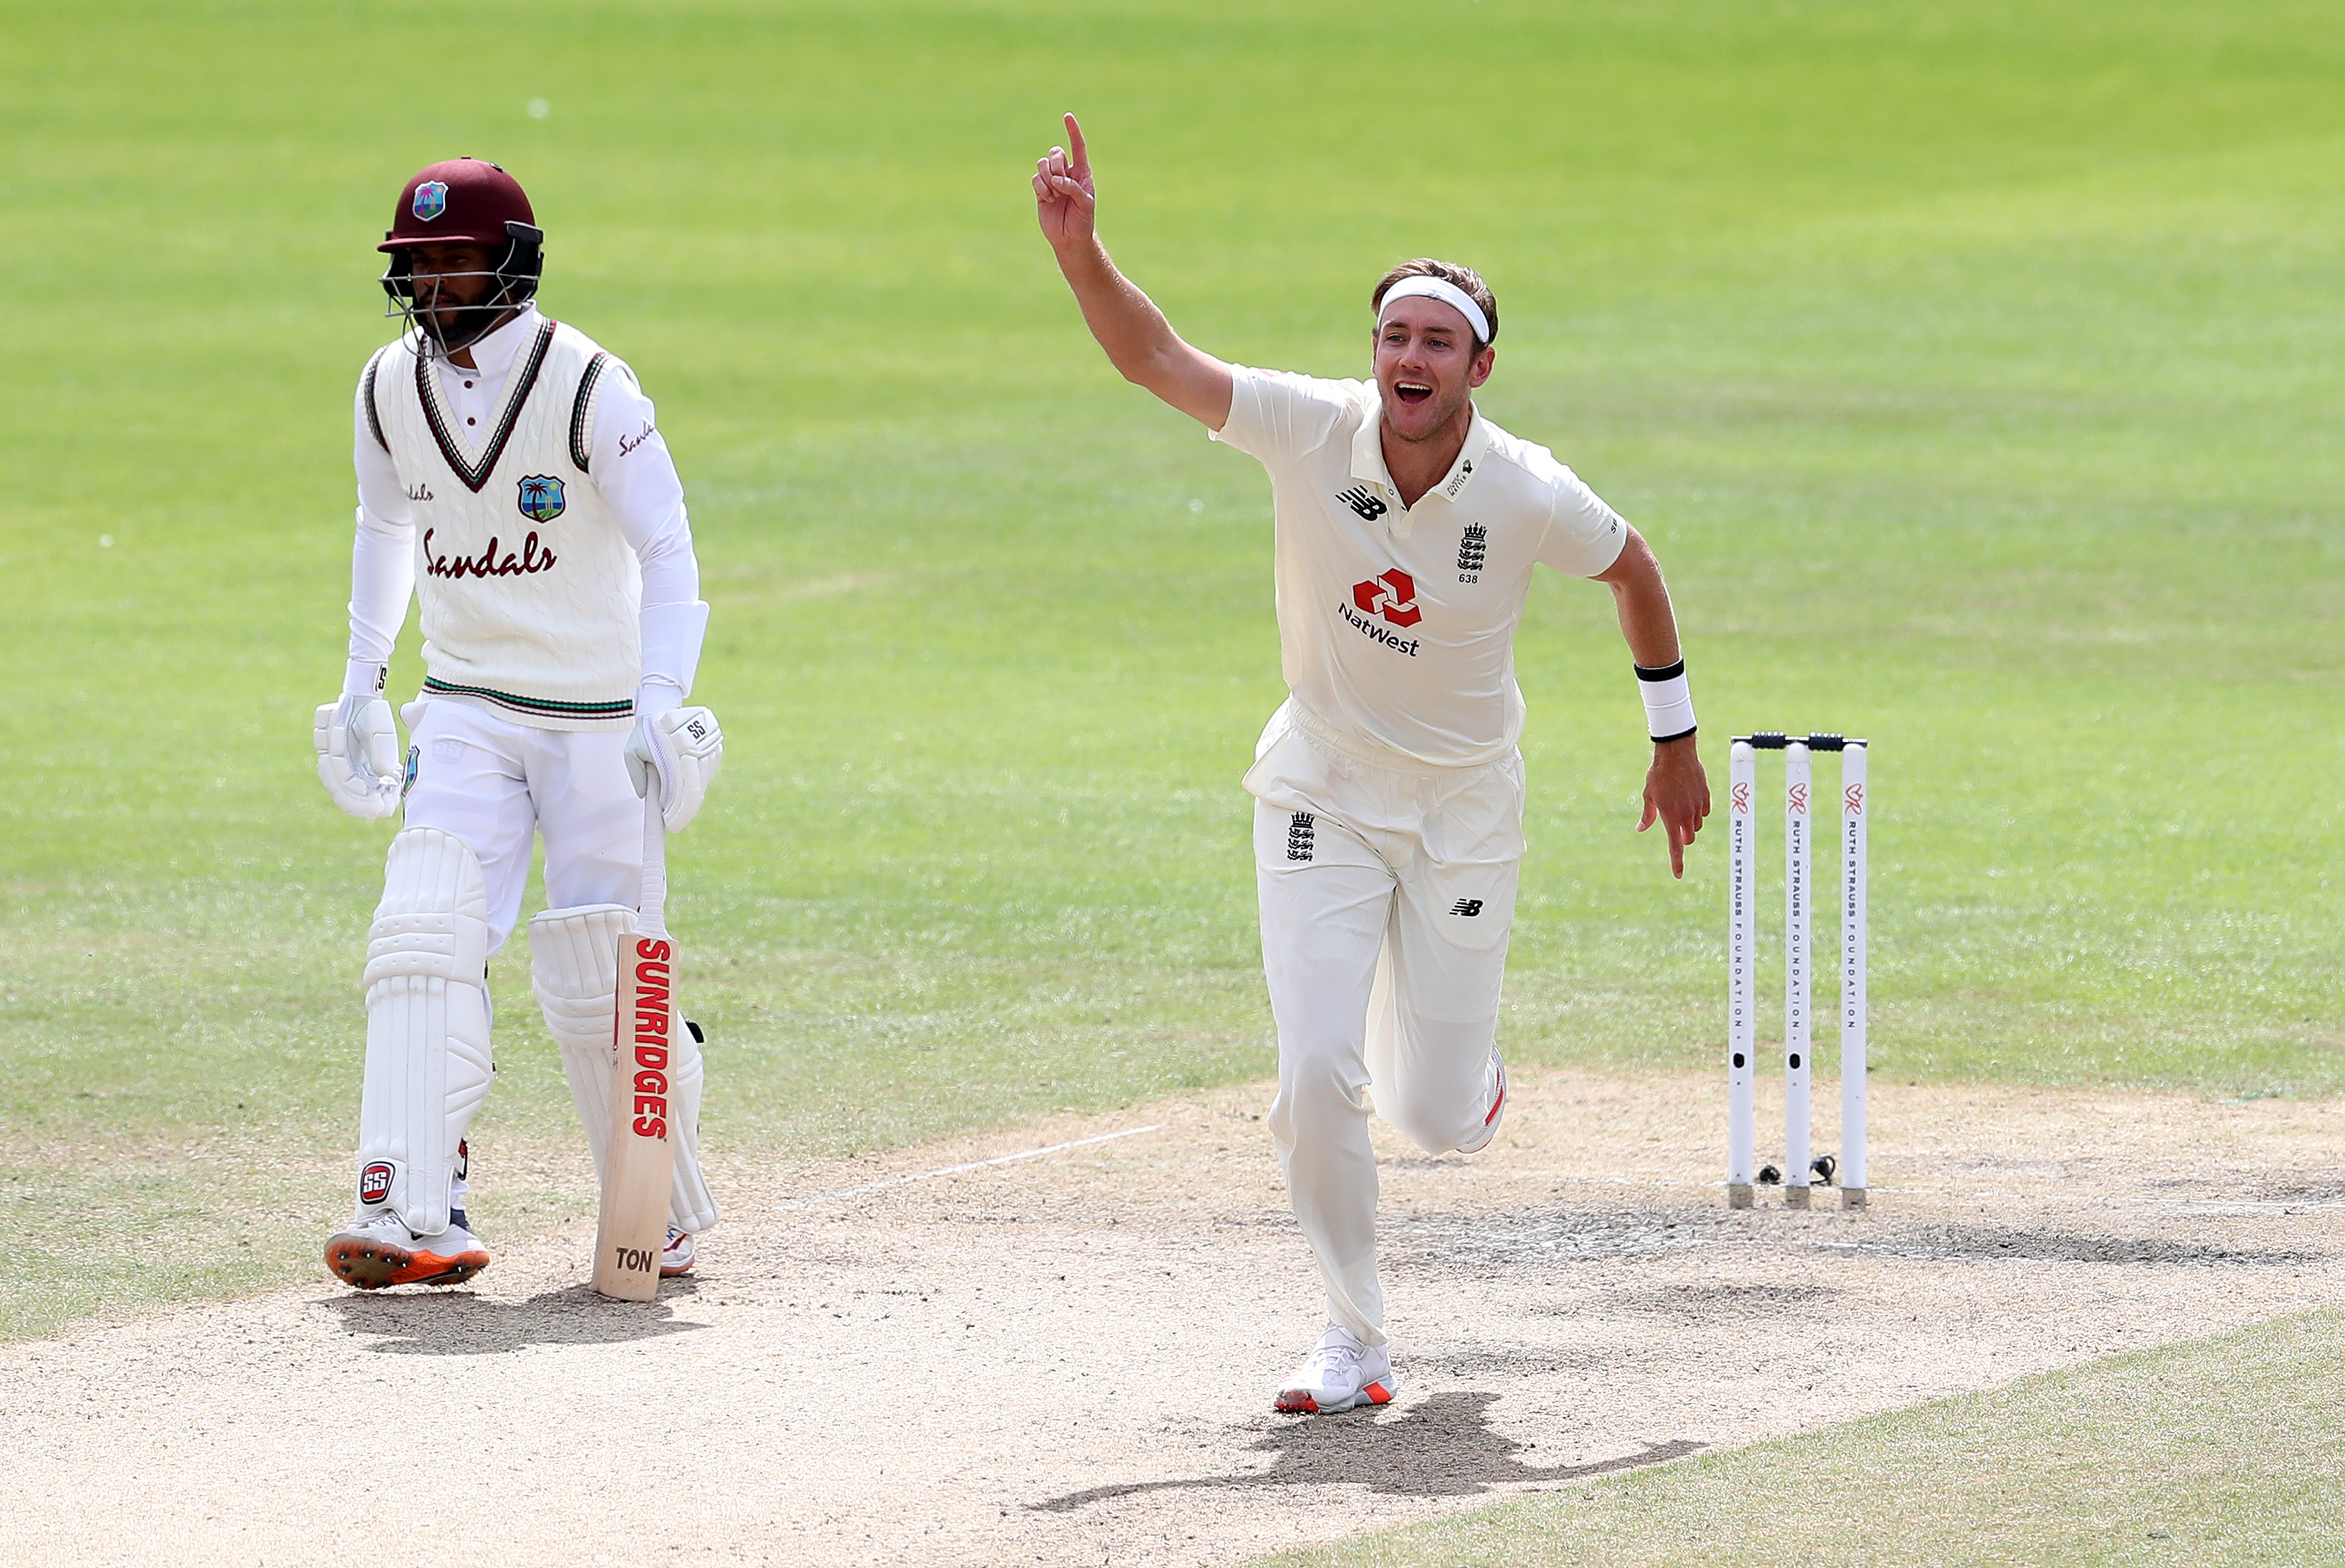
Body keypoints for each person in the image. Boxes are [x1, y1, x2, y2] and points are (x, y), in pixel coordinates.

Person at [1033, 116, 1710, 1412]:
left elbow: (1633, 568)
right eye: (1394, 335)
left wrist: (1672, 739)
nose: (1410, 358)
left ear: (1479, 367)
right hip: (1322, 791)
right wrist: (1082, 256)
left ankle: (1468, 1084)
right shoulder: (1307, 428)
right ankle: (1353, 1340)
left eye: (1436, 341)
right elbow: (1156, 359)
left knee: (1437, 1119)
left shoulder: (1523, 487)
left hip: (1463, 806)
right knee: (1311, 1075)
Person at [312, 157, 725, 1290]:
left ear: (512, 261)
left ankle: (662, 1208)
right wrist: (360, 686)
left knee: (601, 973)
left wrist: (663, 698)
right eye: (419, 265)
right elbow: (384, 530)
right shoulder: (385, 388)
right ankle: (406, 1205)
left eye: (456, 260)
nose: (438, 285)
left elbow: (669, 547)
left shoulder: (591, 385)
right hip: (465, 705)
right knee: (422, 930)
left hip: (597, 716)